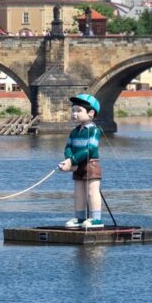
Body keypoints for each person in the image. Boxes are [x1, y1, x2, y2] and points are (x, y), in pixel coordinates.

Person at [59, 92, 104, 228]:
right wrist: (69, 159)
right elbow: (68, 146)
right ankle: (79, 218)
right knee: (78, 193)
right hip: (77, 164)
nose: (75, 113)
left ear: (91, 113)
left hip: (90, 164)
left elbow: (90, 149)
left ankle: (96, 219)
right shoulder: (74, 131)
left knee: (92, 192)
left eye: (79, 110)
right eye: (73, 110)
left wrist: (72, 161)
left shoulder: (94, 131)